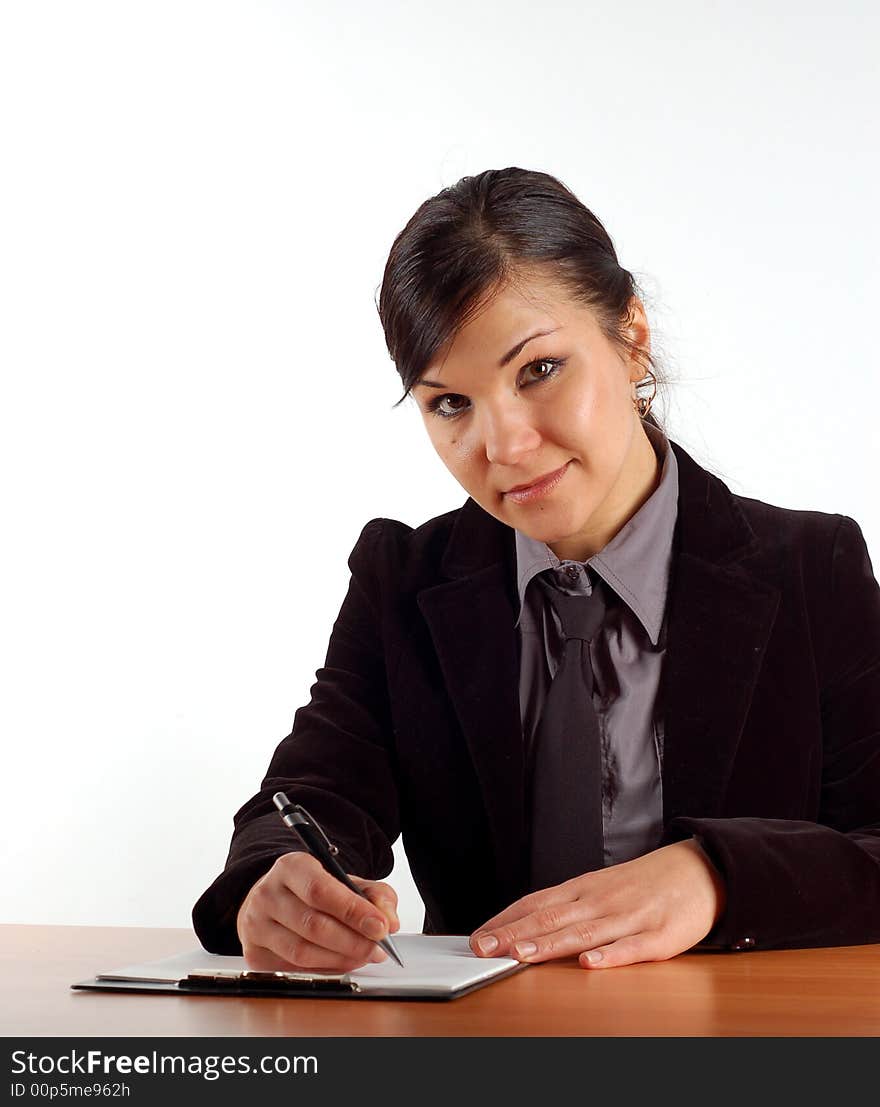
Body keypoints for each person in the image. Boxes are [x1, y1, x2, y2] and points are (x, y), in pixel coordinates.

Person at [192, 167, 880, 974]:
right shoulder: (405, 584)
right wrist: (273, 883)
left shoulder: (811, 570)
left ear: (630, 337)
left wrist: (716, 877)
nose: (504, 446)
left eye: (539, 370)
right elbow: (309, 798)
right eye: (450, 403)